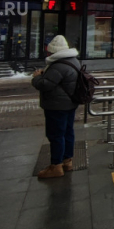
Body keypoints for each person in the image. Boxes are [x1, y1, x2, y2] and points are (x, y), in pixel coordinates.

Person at [32, 35, 80, 179]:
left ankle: (56, 165)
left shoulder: (58, 65)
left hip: (57, 105)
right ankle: (67, 161)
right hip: (70, 102)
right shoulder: (74, 61)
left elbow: (44, 85)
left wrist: (37, 77)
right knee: (68, 132)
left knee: (56, 134)